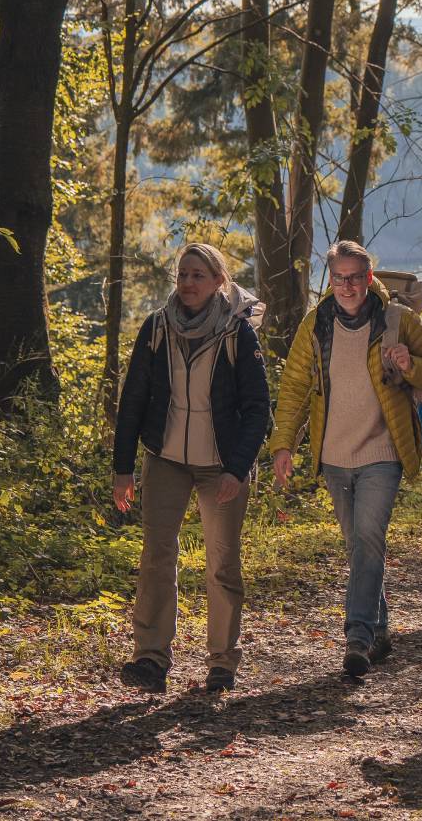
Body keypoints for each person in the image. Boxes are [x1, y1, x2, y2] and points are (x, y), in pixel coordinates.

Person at [270, 240, 422, 678]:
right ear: (329, 281)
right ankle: (381, 628)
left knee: (369, 538)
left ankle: (358, 636)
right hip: (333, 454)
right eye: (339, 278)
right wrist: (283, 445)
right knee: (357, 547)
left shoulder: (395, 321)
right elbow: (294, 388)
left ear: (370, 278)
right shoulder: (317, 324)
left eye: (355, 277)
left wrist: (409, 366)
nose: (347, 286)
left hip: (382, 451)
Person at [113, 242, 270, 694]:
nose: (187, 283)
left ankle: (222, 661)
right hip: (165, 461)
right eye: (182, 274)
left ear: (219, 280)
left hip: (221, 466)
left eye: (198, 275)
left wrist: (236, 470)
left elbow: (258, 409)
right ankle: (150, 659)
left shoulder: (238, 333)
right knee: (156, 557)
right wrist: (123, 468)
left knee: (221, 563)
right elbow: (133, 402)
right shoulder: (156, 328)